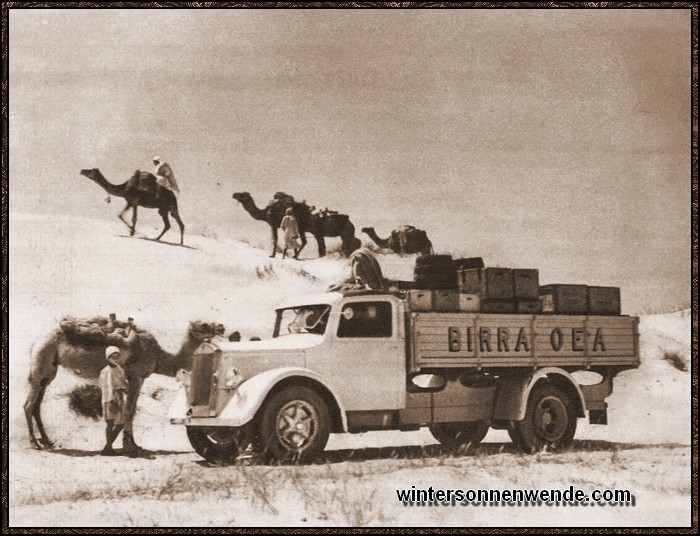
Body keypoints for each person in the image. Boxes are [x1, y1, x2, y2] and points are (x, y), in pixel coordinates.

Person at [99, 346, 129, 456]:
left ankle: (107, 447)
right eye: (113, 357)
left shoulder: (119, 369)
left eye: (117, 357)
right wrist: (111, 401)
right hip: (109, 399)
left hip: (119, 397)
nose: (115, 359)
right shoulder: (105, 371)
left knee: (120, 424)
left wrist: (125, 388)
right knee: (110, 423)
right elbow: (106, 386)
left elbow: (123, 381)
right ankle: (109, 448)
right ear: (108, 358)